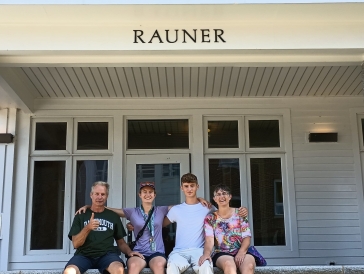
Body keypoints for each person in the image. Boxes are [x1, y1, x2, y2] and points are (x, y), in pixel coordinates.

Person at [76, 181, 210, 274]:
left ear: (155, 195)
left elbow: (184, 205)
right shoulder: (132, 212)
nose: (147, 194)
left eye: (150, 192)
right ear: (139, 195)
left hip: (157, 251)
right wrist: (90, 206)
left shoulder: (162, 210)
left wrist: (199, 199)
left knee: (158, 266)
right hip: (139, 252)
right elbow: (111, 210)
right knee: (133, 266)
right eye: (144, 192)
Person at [164, 173, 248, 274]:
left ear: (197, 187)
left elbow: (224, 213)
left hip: (200, 251)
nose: (189, 189)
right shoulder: (176, 210)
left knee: (206, 267)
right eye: (186, 186)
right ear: (181, 188)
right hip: (179, 252)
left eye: (192, 186)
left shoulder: (207, 208)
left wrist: (243, 210)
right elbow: (159, 224)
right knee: (172, 267)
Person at [64, 181, 143, 274]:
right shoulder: (81, 215)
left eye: (103, 194)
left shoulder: (113, 216)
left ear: (107, 196)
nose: (99, 197)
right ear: (91, 195)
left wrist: (129, 252)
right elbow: (76, 244)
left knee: (119, 270)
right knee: (69, 272)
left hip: (107, 255)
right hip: (83, 255)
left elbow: (120, 242)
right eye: (97, 194)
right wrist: (88, 228)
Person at [199, 184, 255, 274]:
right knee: (229, 265)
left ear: (230, 197)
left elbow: (247, 237)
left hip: (241, 250)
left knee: (249, 266)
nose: (222, 196)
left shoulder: (240, 213)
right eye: (218, 194)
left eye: (224, 193)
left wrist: (241, 252)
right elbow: (209, 241)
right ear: (214, 199)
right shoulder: (210, 218)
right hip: (221, 253)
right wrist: (206, 254)